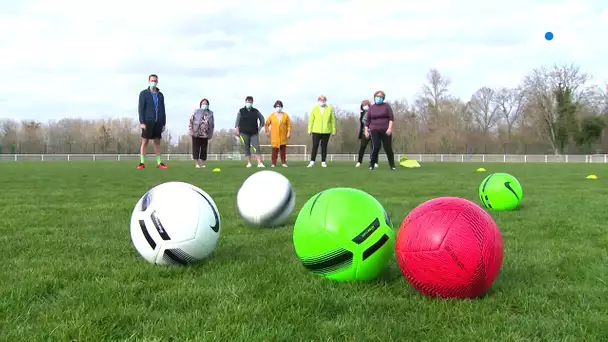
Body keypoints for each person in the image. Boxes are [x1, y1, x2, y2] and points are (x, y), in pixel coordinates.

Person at [137, 74, 167, 169]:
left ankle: (159, 163)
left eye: (155, 80)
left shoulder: (160, 95)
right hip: (147, 122)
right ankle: (142, 163)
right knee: (144, 142)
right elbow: (141, 108)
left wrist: (163, 123)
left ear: (157, 82)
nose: (153, 82)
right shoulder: (143, 94)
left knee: (157, 142)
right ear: (149, 81)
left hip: (158, 122)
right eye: (152, 80)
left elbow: (163, 109)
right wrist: (142, 122)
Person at [365, 90, 396, 170]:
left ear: (383, 98)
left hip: (385, 130)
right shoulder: (371, 108)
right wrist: (366, 130)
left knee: (388, 147)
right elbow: (367, 120)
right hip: (374, 130)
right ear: (375, 97)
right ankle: (371, 164)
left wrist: (389, 128)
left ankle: (392, 165)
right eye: (378, 96)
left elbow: (391, 118)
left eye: (381, 97)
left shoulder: (386, 106)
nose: (379, 98)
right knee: (376, 147)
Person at [235, 96, 265, 168]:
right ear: (245, 102)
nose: (249, 103)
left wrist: (260, 128)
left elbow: (262, 119)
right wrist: (237, 129)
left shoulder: (256, 111)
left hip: (254, 133)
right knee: (246, 147)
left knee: (256, 147)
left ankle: (259, 163)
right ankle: (249, 163)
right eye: (248, 101)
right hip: (244, 133)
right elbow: (237, 121)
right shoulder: (241, 111)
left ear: (252, 103)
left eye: (250, 102)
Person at [306, 95, 336, 168]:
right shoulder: (314, 108)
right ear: (318, 101)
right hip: (316, 131)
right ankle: (312, 162)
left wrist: (333, 130)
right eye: (321, 100)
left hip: (326, 131)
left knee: (324, 146)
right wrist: (309, 129)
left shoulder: (330, 109)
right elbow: (311, 120)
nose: (322, 101)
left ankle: (323, 162)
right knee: (315, 146)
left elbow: (332, 120)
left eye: (324, 100)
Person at [265, 100, 292, 167]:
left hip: (283, 136)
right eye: (277, 106)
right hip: (275, 136)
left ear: (281, 107)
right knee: (274, 151)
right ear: (275, 107)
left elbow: (289, 124)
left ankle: (283, 163)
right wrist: (267, 131)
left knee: (283, 151)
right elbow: (267, 124)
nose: (278, 107)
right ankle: (273, 163)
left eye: (279, 106)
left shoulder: (285, 115)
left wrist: (289, 132)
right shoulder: (271, 115)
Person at [189, 98, 215, 168]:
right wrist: (191, 130)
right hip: (196, 133)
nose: (205, 105)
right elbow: (191, 121)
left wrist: (210, 134)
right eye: (203, 104)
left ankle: (203, 164)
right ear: (200, 105)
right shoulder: (196, 111)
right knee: (196, 149)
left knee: (204, 150)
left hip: (205, 134)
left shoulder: (211, 114)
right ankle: (196, 164)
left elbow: (212, 125)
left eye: (206, 104)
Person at [356, 99, 378, 168]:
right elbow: (362, 124)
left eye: (365, 105)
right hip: (364, 132)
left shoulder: (374, 112)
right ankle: (359, 162)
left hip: (373, 132)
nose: (364, 106)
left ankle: (374, 162)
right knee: (362, 147)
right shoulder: (362, 113)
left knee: (374, 147)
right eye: (363, 105)